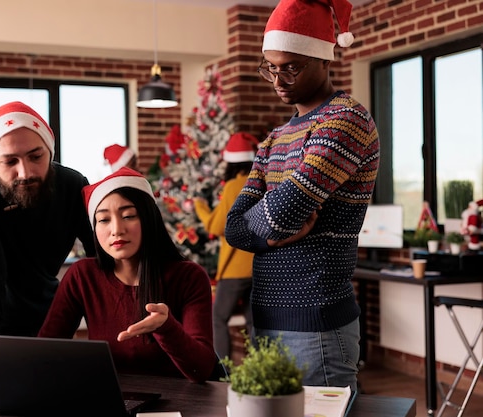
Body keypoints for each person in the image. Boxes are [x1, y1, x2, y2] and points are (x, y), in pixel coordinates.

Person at [225, 0, 380, 390]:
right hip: (265, 319)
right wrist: (264, 227)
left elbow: (283, 214)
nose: (279, 80)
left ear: (324, 59)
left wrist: (266, 226)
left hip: (317, 325)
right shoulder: (275, 138)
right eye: (271, 68)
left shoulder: (345, 120)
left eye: (291, 67)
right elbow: (234, 228)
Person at [0, 101, 95, 383]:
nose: (26, 172)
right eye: (10, 161)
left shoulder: (72, 185)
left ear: (50, 152)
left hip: (49, 324)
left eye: (36, 157)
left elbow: (105, 258)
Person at [38, 167, 217, 383]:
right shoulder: (83, 275)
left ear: (149, 219)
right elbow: (46, 349)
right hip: (109, 401)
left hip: (177, 405)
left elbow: (203, 368)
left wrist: (166, 327)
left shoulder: (189, 277)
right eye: (103, 220)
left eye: (129, 216)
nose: (116, 229)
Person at [193, 132, 258, 360]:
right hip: (258, 264)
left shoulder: (232, 187)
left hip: (234, 269)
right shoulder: (261, 183)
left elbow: (217, 226)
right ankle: (260, 367)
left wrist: (200, 206)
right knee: (254, 321)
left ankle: (222, 370)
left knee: (217, 318)